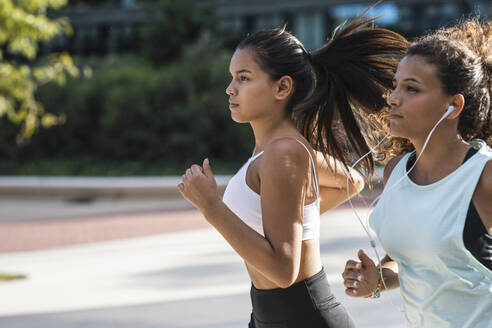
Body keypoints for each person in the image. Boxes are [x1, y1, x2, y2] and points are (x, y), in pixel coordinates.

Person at [178, 12, 408, 328]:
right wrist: (292, 222)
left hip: (301, 317)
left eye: (244, 78)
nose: (230, 89)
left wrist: (212, 207)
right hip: (270, 315)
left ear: (282, 87)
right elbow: (350, 182)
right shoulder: (281, 149)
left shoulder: (284, 152)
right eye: (232, 77)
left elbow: (283, 271)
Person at [342, 18, 492, 328]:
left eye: (412, 88)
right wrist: (377, 282)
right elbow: (412, 262)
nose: (393, 98)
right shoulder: (396, 172)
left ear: (453, 106)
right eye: (395, 85)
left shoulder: (484, 174)